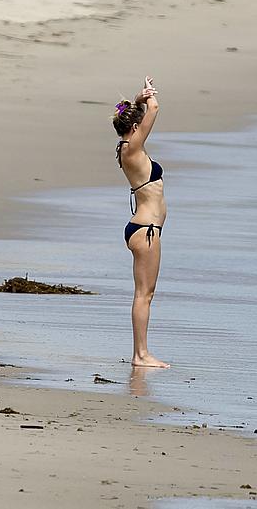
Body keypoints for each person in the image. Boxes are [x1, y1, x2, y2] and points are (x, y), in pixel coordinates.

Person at [113, 76, 170, 368]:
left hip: (144, 229)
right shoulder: (132, 148)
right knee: (144, 295)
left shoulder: (128, 148)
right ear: (134, 128)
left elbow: (145, 111)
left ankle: (141, 353)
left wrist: (138, 98)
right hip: (146, 231)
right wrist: (147, 98)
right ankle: (141, 355)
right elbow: (155, 109)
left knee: (145, 294)